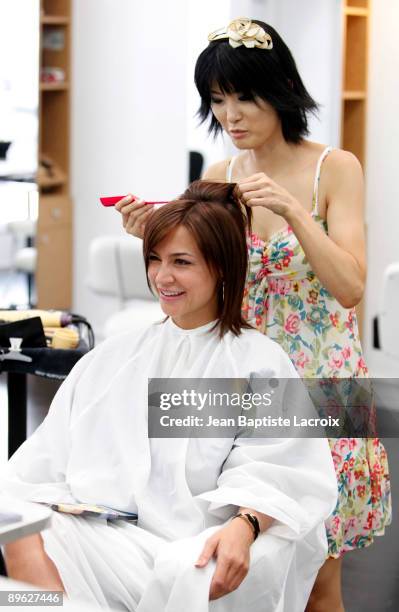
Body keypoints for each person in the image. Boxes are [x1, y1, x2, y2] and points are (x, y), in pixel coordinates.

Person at [115, 18, 391, 612]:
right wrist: (151, 235)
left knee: (317, 574)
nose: (230, 115)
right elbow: (193, 276)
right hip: (241, 378)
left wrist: (293, 211)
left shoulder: (333, 168)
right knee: (232, 561)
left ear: (282, 88)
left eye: (244, 96)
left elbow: (349, 286)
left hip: (320, 379)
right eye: (217, 101)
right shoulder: (218, 180)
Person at [1, 181, 337, 612]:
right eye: (155, 260)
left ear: (222, 269)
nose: (162, 277)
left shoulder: (256, 362)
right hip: (105, 534)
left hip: (190, 545)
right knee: (21, 537)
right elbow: (41, 464)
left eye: (181, 262)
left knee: (29, 584)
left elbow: (284, 470)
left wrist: (245, 524)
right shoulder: (116, 356)